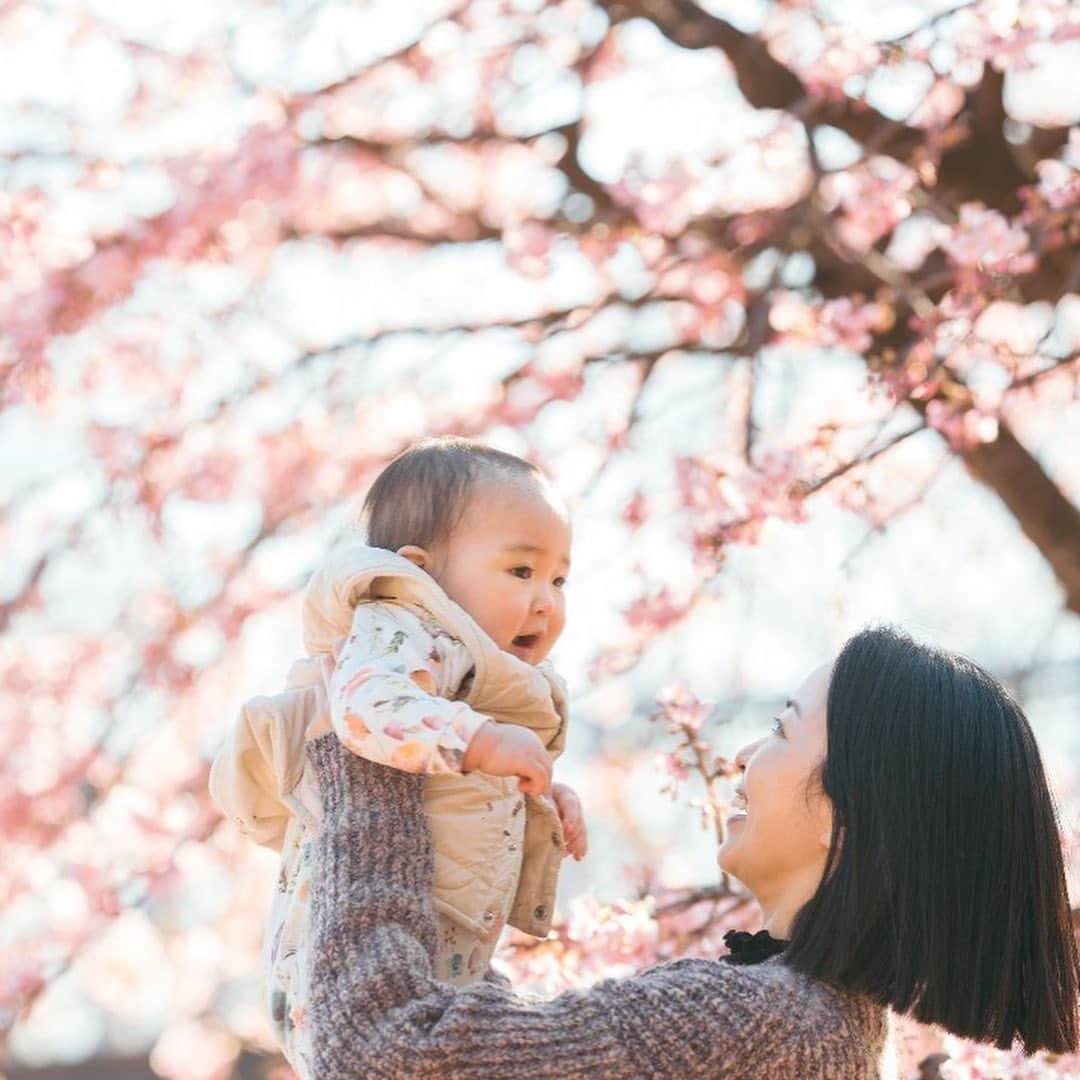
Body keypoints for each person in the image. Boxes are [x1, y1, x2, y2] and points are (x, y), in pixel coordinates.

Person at [302, 625, 1080, 1079]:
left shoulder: (758, 1019)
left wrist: (377, 761)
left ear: (842, 821)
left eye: (779, 730)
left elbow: (383, 1053)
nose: (743, 757)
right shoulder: (823, 1030)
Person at [209, 437, 587, 1078]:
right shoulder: (403, 623)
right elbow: (367, 707)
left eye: (558, 578)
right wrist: (481, 742)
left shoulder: (488, 678)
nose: (546, 600)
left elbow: (471, 790)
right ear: (424, 569)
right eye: (521, 572)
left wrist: (543, 794)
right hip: (342, 951)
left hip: (440, 953)